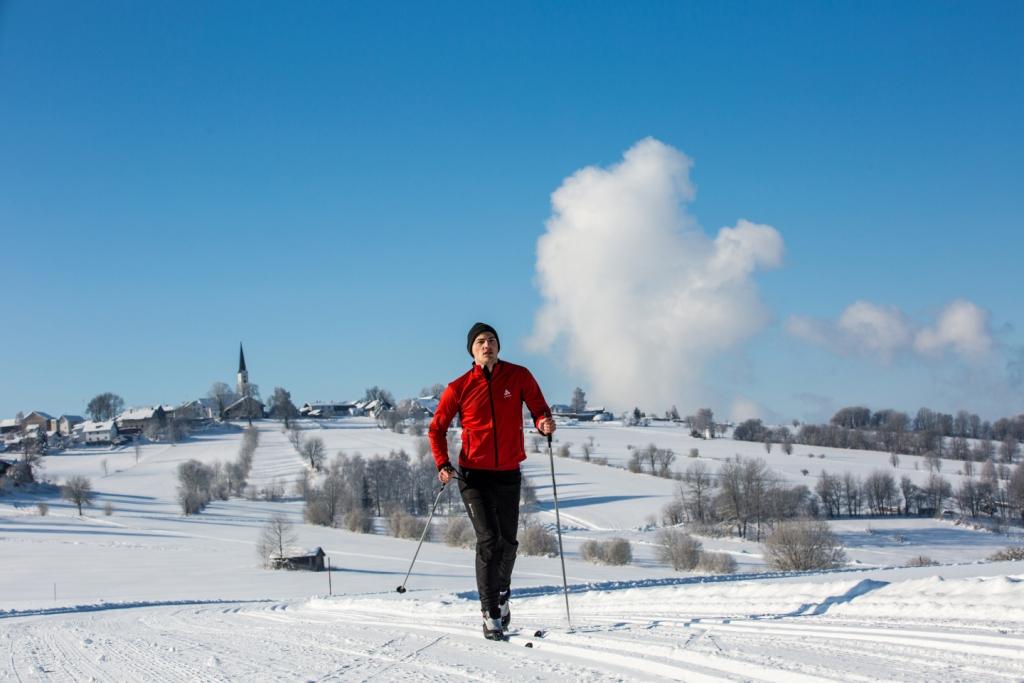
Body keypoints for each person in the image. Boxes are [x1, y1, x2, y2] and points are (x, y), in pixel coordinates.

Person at [428, 322, 556, 640]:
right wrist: (442, 463)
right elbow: (436, 428)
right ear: (472, 350)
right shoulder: (458, 387)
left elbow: (540, 409)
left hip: (509, 472)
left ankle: (502, 593)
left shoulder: (519, 376)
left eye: (493, 340)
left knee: (509, 542)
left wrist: (544, 423)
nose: (488, 345)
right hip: (473, 475)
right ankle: (490, 612)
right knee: (488, 540)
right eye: (481, 342)